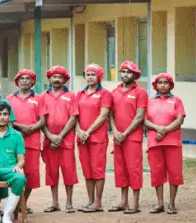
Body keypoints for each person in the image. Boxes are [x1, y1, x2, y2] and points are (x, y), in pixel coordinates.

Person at [108, 60, 149, 214]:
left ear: (135, 75)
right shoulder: (115, 92)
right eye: (123, 72)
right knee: (120, 169)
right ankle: (123, 202)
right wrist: (115, 132)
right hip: (118, 137)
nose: (125, 75)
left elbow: (139, 117)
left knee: (134, 169)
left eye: (128, 72)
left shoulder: (140, 93)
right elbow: (110, 114)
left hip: (132, 137)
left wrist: (125, 133)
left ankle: (135, 203)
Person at [39, 66, 80, 213]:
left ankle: (69, 202)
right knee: (52, 172)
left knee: (68, 171)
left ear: (64, 80)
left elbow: (73, 117)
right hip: (50, 141)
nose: (56, 79)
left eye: (60, 77)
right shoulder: (43, 96)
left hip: (66, 140)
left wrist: (60, 137)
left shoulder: (71, 96)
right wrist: (50, 136)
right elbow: (41, 119)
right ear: (49, 78)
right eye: (54, 77)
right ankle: (55, 202)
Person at [145, 73, 186, 215]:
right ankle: (160, 203)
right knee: (157, 172)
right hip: (154, 141)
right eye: (160, 82)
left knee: (174, 172)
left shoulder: (177, 101)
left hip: (173, 142)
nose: (162, 85)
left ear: (170, 85)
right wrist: (158, 129)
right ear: (155, 85)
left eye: (166, 82)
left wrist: (165, 130)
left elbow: (179, 119)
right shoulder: (149, 101)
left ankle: (172, 203)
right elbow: (143, 119)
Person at [76, 64, 113, 213]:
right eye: (88, 74)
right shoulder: (80, 94)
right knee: (87, 170)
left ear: (99, 76)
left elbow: (103, 115)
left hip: (97, 138)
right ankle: (90, 201)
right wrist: (79, 130)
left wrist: (88, 131)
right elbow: (75, 115)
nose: (90, 77)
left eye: (93, 74)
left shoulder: (105, 94)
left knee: (97, 169)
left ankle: (98, 202)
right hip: (82, 138)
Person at [8, 70, 44, 215]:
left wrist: (32, 128)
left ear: (32, 82)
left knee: (31, 174)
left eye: (27, 78)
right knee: (13, 173)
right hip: (14, 142)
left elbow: (43, 119)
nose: (24, 81)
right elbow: (6, 118)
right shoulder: (10, 98)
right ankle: (15, 203)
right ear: (17, 81)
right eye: (21, 78)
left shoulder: (39, 98)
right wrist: (20, 128)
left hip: (33, 141)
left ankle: (23, 202)